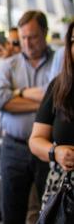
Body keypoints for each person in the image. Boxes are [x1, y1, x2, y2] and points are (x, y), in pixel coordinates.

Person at [0, 10, 54, 224]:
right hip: (14, 148)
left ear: (45, 33)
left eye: (33, 37)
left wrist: (17, 95)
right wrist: (41, 103)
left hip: (47, 149)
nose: (27, 43)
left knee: (49, 212)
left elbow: (58, 98)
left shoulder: (59, 61)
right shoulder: (10, 65)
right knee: (12, 216)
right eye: (23, 38)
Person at [29, 21, 74, 209]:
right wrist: (56, 152)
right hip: (63, 194)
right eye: (73, 41)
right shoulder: (60, 86)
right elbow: (35, 140)